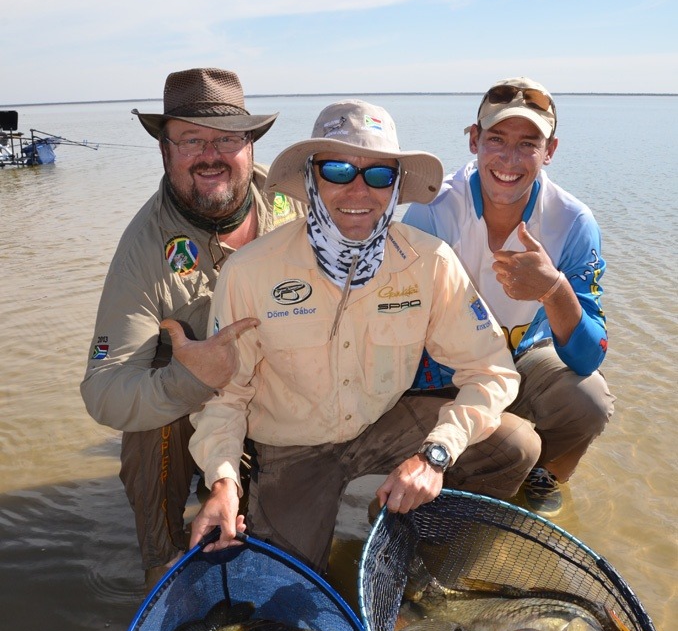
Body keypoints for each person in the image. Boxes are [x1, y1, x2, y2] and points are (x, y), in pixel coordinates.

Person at [188, 99, 541, 572]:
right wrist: (223, 483)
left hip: (384, 423)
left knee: (515, 447)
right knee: (285, 583)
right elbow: (225, 398)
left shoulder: (430, 262)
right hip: (292, 449)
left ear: (395, 186)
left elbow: (492, 370)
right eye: (337, 170)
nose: (359, 190)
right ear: (311, 178)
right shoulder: (249, 271)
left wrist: (435, 456)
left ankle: (410, 534)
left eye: (378, 175)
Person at [80, 67, 304, 588]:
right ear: (164, 150)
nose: (211, 154)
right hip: (206, 402)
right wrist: (191, 378)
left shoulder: (297, 200)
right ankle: (160, 565)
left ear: (250, 144)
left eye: (228, 138)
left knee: (280, 558)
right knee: (150, 403)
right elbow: (103, 391)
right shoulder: (143, 246)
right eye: (190, 140)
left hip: (291, 392)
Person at [403, 77, 614, 516]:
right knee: (504, 439)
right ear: (474, 141)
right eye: (496, 139)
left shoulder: (572, 223)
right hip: (439, 366)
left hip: (520, 357)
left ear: (549, 150)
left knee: (590, 399)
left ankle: (545, 471)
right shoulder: (434, 209)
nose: (509, 160)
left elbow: (588, 355)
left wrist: (553, 289)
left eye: (528, 144)